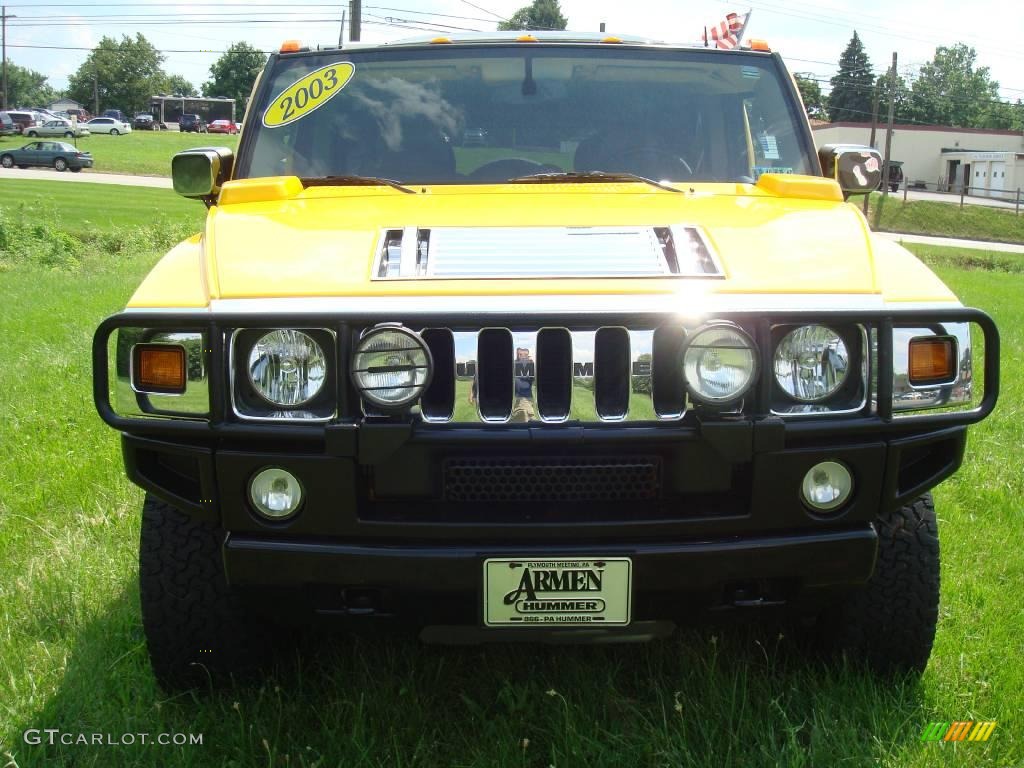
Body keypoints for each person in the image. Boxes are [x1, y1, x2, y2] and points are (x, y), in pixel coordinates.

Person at [511, 347, 535, 422]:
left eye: (524, 354)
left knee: (522, 413)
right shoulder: (514, 364)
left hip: (525, 398)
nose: (521, 356)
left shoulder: (530, 365)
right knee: (527, 416)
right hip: (519, 398)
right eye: (519, 354)